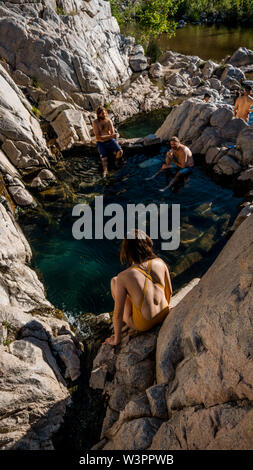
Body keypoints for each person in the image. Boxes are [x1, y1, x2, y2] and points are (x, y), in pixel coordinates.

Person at [104, 230, 172, 346]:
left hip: (145, 324)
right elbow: (169, 292)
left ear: (127, 251)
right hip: (164, 312)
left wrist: (116, 340)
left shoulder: (124, 276)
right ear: (147, 243)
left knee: (114, 281)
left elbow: (118, 314)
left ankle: (131, 319)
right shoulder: (160, 262)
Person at [92, 107, 123, 177]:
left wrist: (115, 140)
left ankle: (116, 161)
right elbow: (98, 137)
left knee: (120, 151)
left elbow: (113, 134)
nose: (105, 114)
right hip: (101, 143)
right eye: (103, 113)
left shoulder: (108, 121)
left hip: (110, 141)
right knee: (104, 159)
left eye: (105, 113)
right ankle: (105, 171)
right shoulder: (95, 122)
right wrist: (111, 136)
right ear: (98, 114)